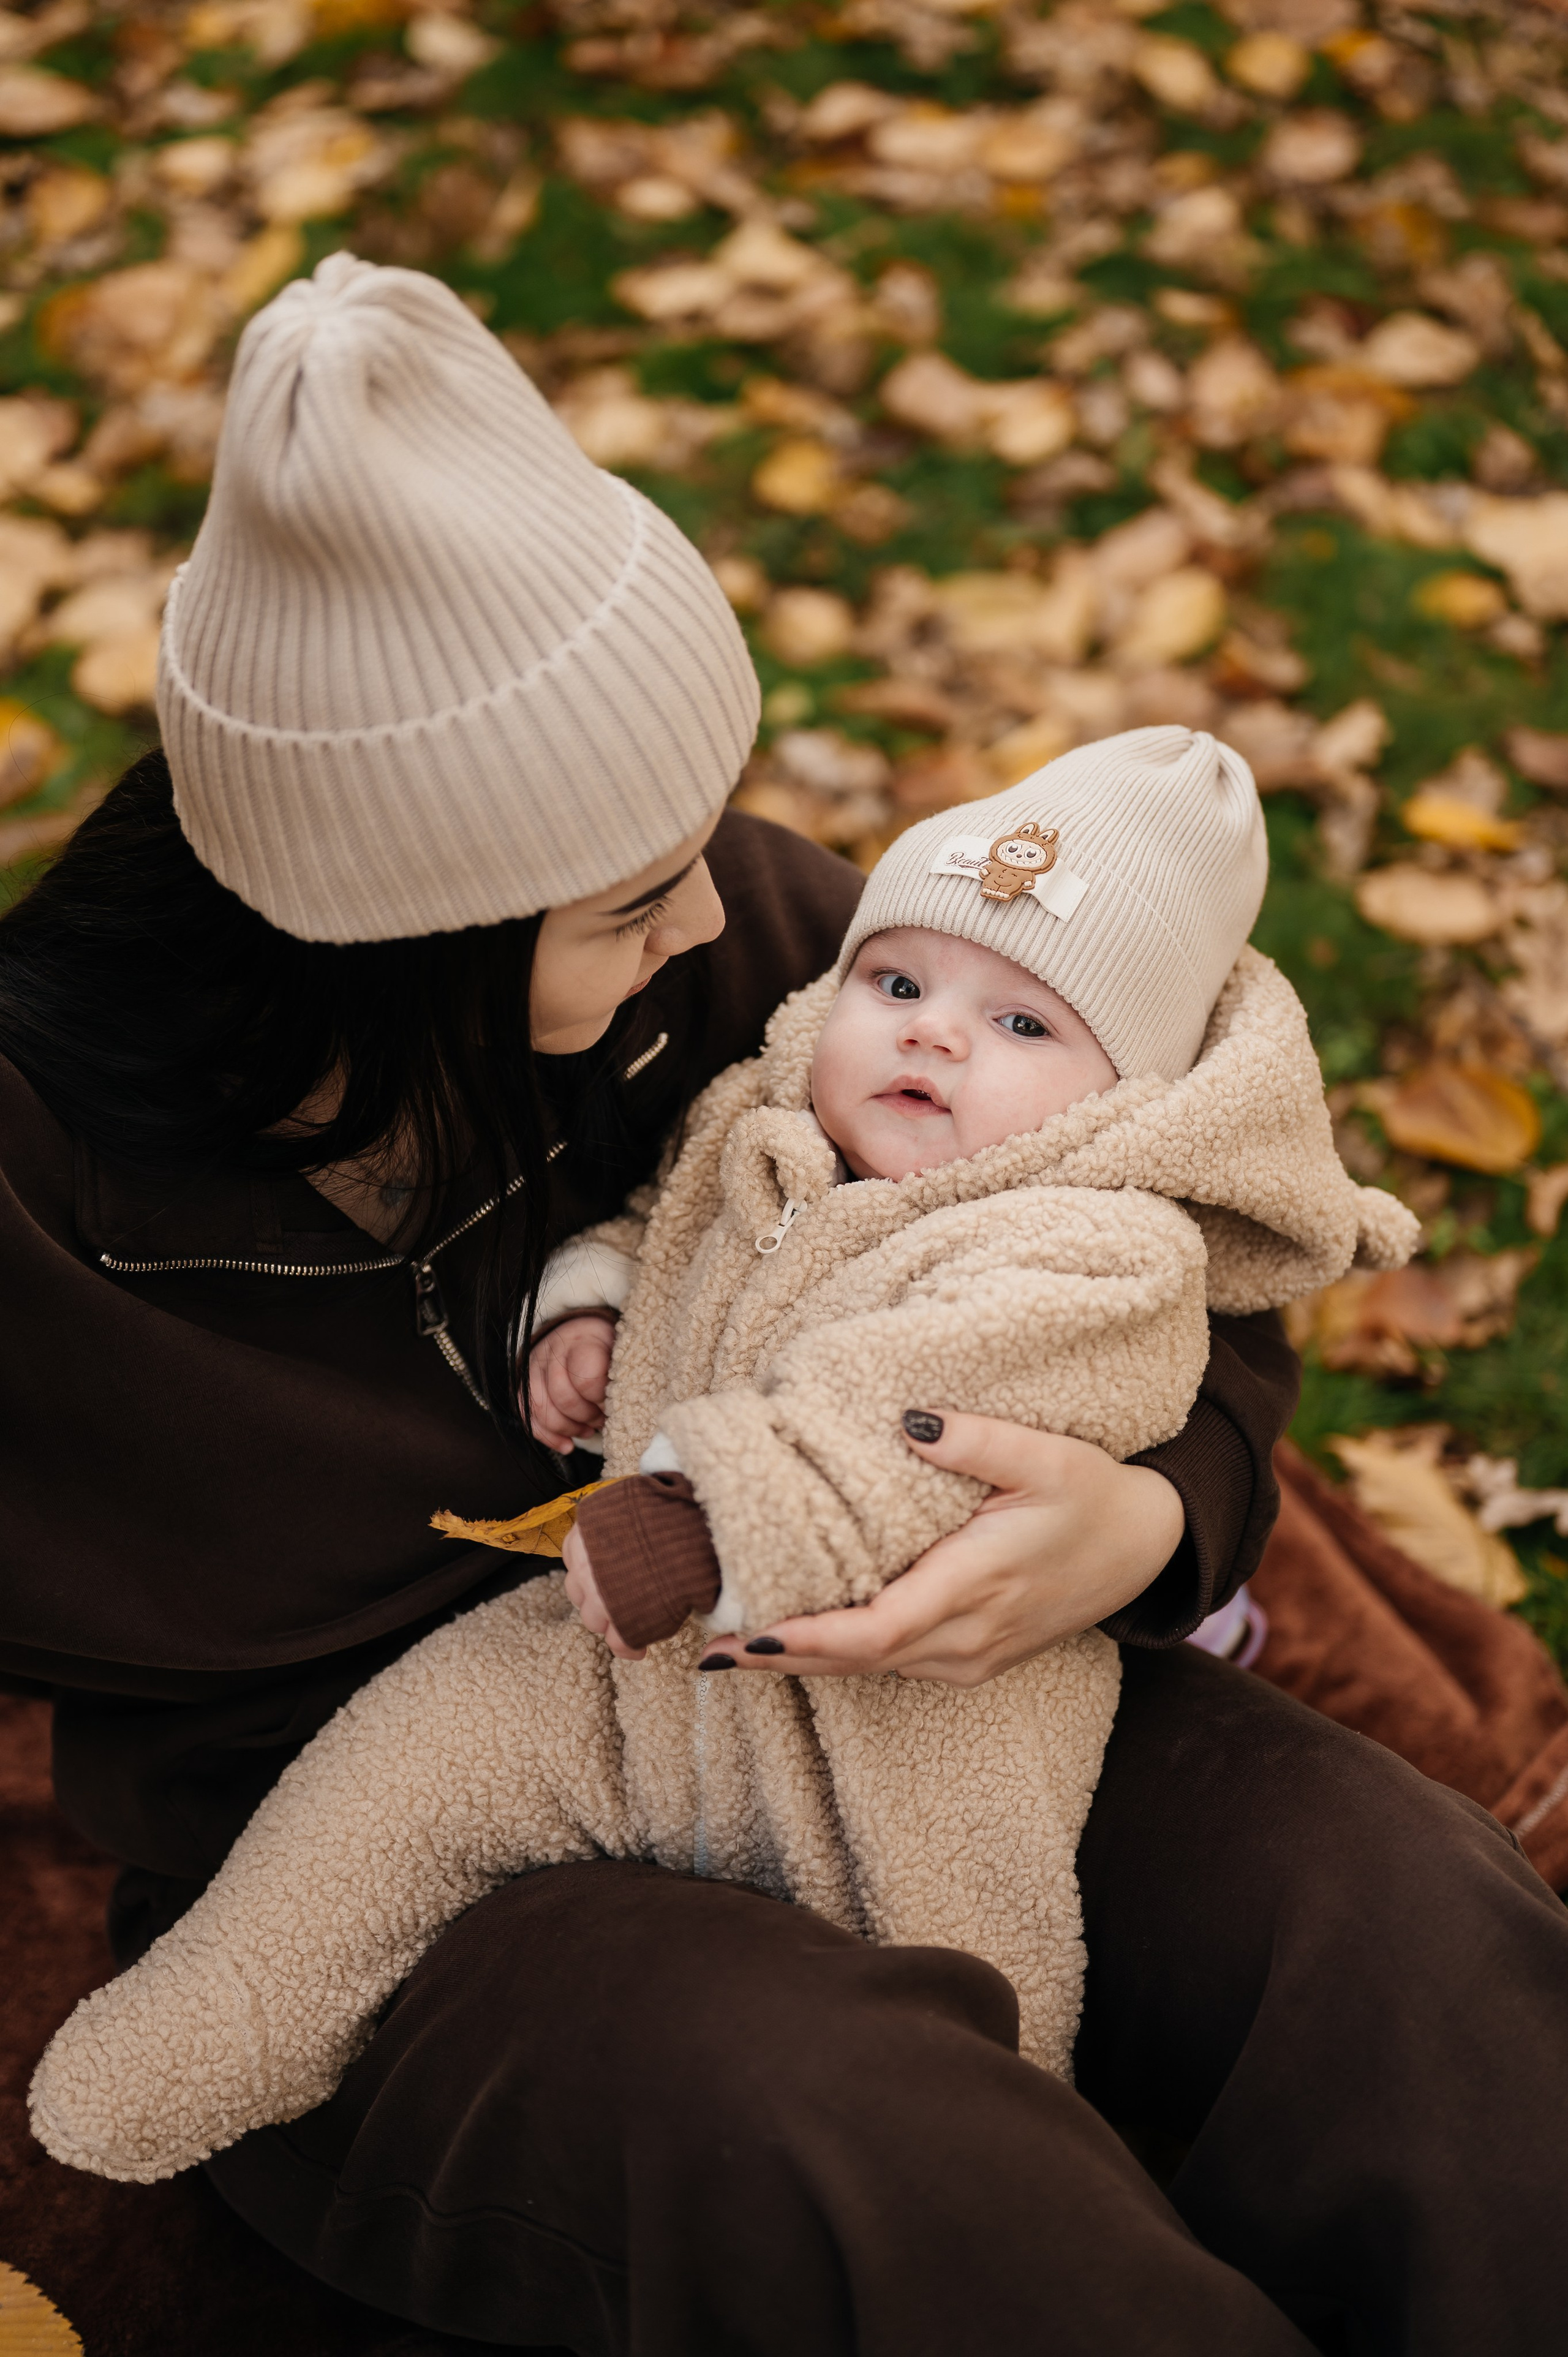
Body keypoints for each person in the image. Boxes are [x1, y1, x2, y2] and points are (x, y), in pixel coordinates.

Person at [2, 254, 1565, 2356]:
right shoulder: (36, 1197)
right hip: (422, 1853)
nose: (722, 921)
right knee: (875, 2144)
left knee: (1394, 1913)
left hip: (909, 1690)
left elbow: (1133, 1215)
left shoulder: (737, 933)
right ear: (404, 945)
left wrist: (1154, 1512)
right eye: (633, 900)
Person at [29, 730, 1425, 2184]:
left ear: (1125, 1104)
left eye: (1021, 1028)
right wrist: (589, 1304)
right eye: (894, 985)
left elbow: (891, 1411)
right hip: (606, 1671)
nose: (933, 1033)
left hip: (903, 1702)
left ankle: (1004, 2175)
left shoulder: (1087, 1243)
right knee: (401, 1770)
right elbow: (659, 1227)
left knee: (966, 1979)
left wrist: (703, 1521)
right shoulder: (759, 1127)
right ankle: (212, 2022)